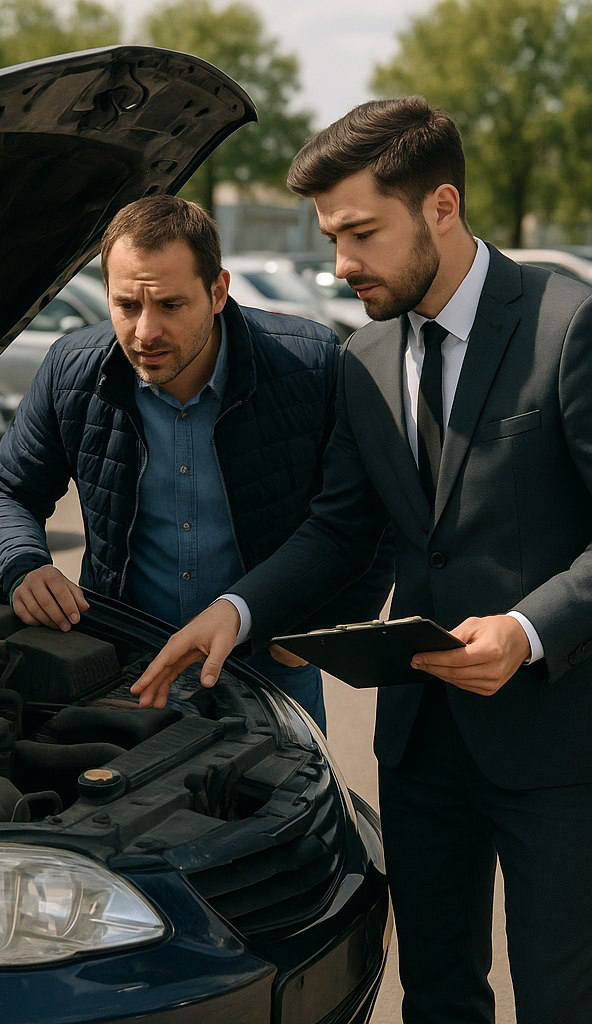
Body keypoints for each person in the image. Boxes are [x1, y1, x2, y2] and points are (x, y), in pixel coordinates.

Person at [131, 98, 592, 1024]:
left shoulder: (569, 324)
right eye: (330, 236)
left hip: (557, 747)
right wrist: (239, 610)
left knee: (561, 1001)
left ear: (442, 207)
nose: (340, 265)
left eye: (361, 234)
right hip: (419, 747)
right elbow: (340, 531)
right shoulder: (364, 357)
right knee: (436, 998)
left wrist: (529, 630)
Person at [0, 195, 392, 731]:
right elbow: (6, 490)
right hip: (126, 667)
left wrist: (323, 628)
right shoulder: (70, 370)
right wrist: (23, 563)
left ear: (218, 291)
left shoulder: (310, 364)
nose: (146, 331)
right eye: (127, 305)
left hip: (272, 669)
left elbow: (368, 513)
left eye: (170, 305)